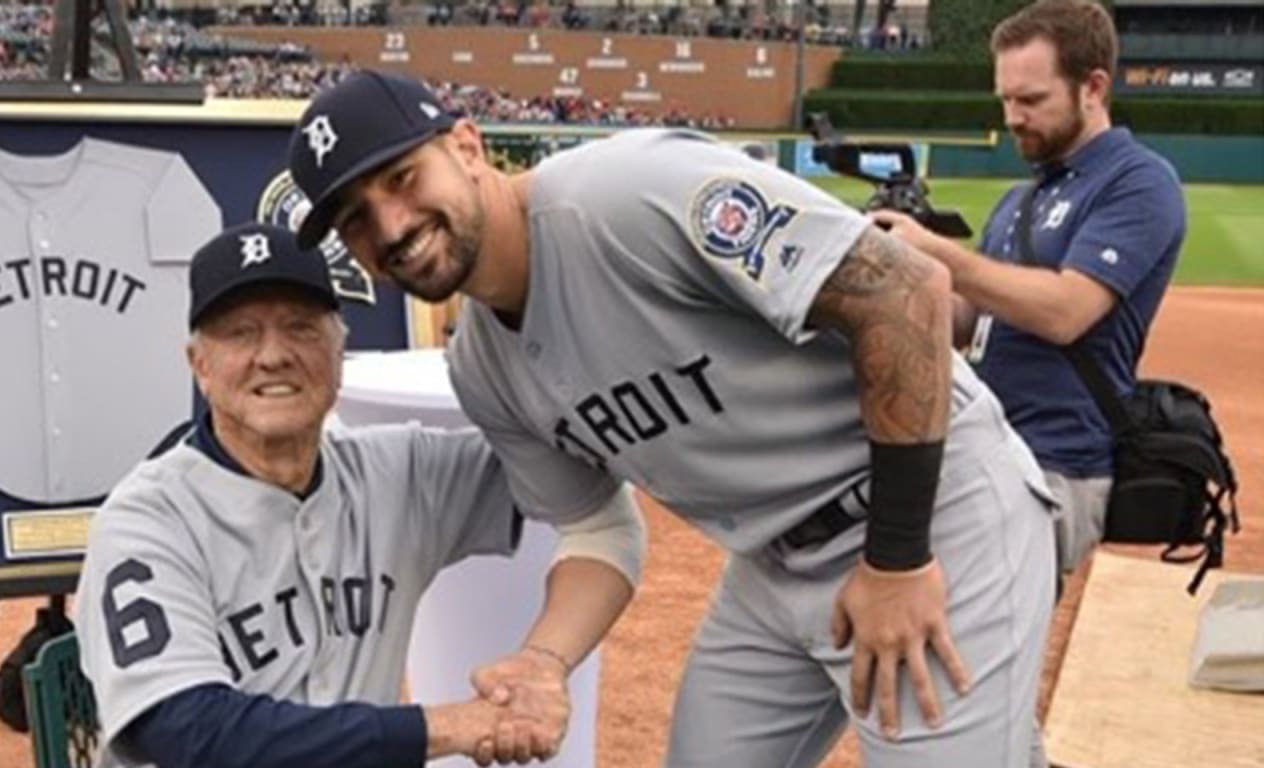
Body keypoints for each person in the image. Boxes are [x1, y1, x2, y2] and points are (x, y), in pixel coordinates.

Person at [288, 70, 1059, 767]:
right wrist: (544, 660)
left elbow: (904, 291)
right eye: (356, 219)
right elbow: (598, 529)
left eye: (401, 177)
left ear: (467, 144)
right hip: (769, 563)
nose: (390, 226)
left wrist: (897, 560)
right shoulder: (483, 368)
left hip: (929, 514)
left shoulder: (624, 194)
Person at [73, 222, 646, 767]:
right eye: (240, 332)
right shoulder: (147, 520)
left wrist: (543, 661)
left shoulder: (401, 472)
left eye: (301, 326)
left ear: (338, 352)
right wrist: (445, 727)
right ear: (199, 364)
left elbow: (577, 451)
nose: (273, 354)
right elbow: (192, 734)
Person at [872, 0, 1185, 575]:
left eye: (1032, 100)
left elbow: (1067, 311)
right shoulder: (1022, 198)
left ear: (1093, 87)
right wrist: (893, 267)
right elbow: (969, 322)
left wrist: (939, 251)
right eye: (1006, 99)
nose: (1013, 116)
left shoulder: (1139, 181)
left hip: (1054, 464)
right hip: (980, 448)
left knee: (977, 651)